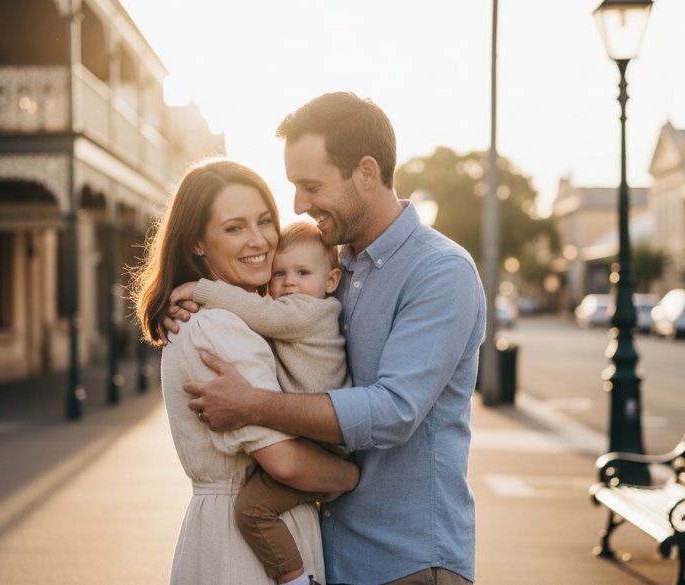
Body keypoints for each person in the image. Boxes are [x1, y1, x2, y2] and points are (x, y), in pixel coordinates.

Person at [176, 92, 486, 585]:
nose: (298, 204)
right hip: (331, 551)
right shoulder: (333, 266)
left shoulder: (439, 272)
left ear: (366, 172)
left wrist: (253, 405)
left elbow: (393, 412)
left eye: (310, 185)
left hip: (406, 561)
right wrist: (203, 304)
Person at [131, 159, 360, 585]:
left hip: (224, 531)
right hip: (246, 550)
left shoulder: (214, 317)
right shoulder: (220, 328)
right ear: (197, 243)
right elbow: (285, 463)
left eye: (265, 221)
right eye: (234, 227)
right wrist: (350, 475)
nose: (260, 240)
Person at [168, 221, 350, 584]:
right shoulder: (222, 324)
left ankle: (294, 578)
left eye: (302, 272)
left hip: (321, 443)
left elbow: (263, 314)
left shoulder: (309, 312)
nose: (289, 282)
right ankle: (296, 578)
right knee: (253, 509)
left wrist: (201, 291)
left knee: (253, 510)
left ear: (331, 281)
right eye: (280, 274)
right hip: (311, 449)